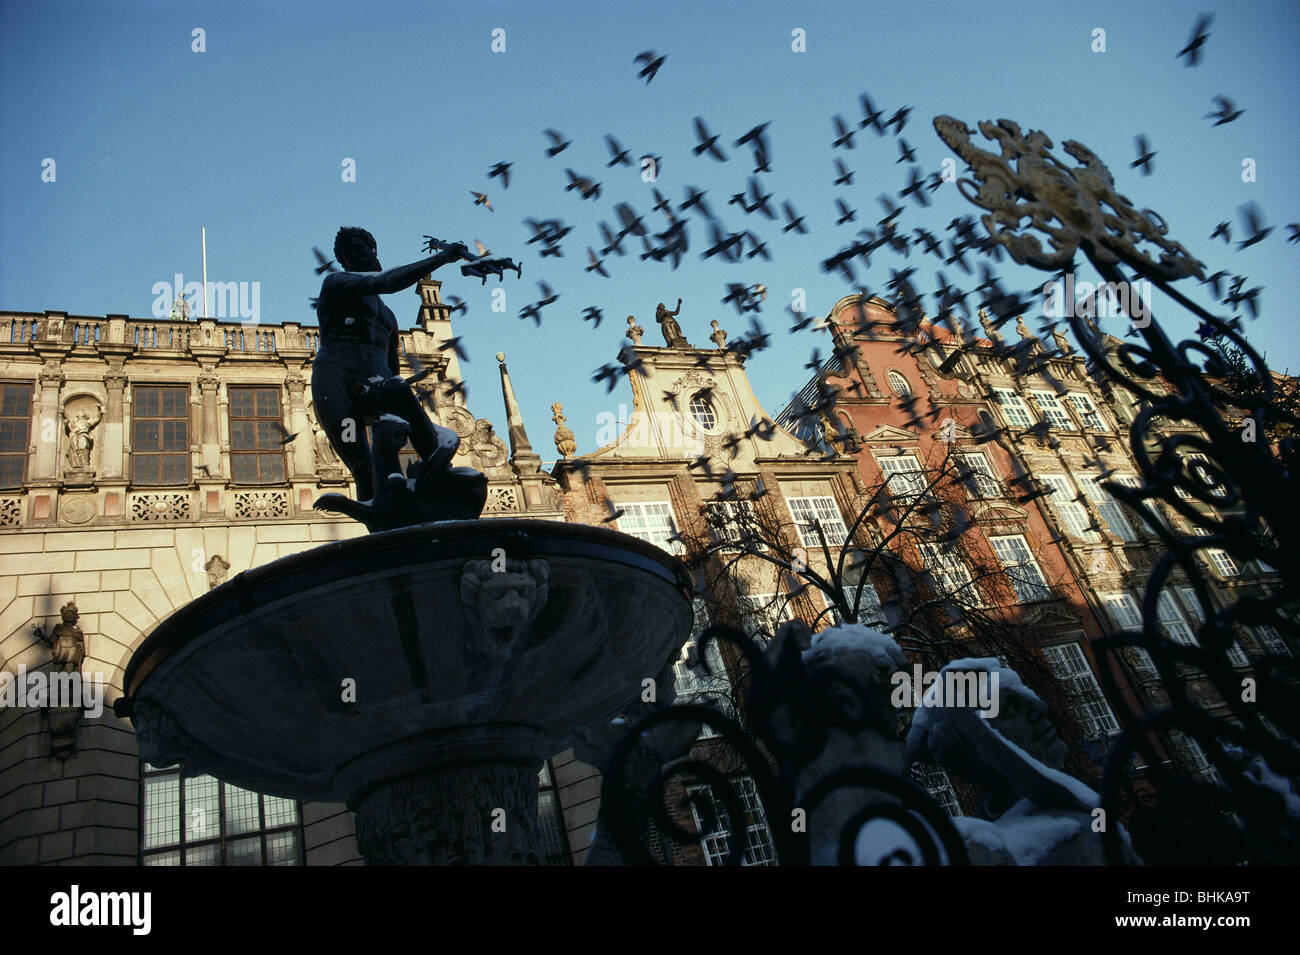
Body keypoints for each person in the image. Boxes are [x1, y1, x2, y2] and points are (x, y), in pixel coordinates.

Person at [312, 227, 474, 503]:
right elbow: (388, 282)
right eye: (352, 249)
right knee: (365, 469)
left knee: (397, 390)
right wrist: (442, 258)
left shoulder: (387, 317)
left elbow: (392, 370)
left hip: (377, 384)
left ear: (374, 251)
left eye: (365, 246)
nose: (361, 251)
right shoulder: (337, 283)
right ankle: (379, 532)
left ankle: (439, 469)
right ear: (345, 259)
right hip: (336, 379)